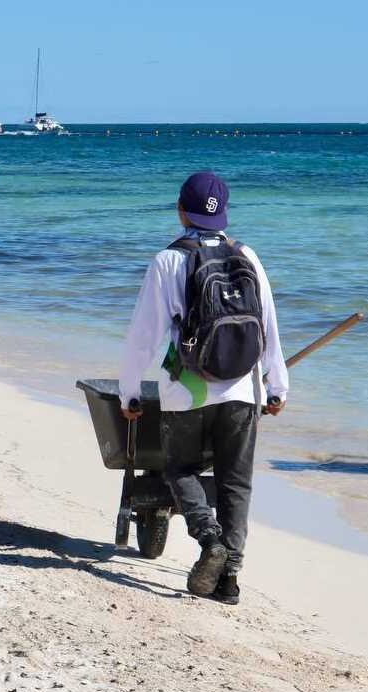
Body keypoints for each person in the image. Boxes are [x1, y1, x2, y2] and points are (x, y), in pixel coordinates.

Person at [118, 172, 288, 606]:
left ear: (180, 210)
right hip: (242, 390)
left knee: (179, 469)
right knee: (236, 483)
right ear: (224, 213)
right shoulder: (247, 254)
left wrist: (129, 393)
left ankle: (208, 536)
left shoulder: (168, 261)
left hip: (187, 389)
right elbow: (267, 323)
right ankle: (229, 578)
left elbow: (144, 335)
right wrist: (276, 384)